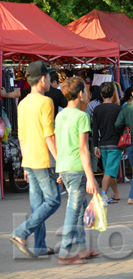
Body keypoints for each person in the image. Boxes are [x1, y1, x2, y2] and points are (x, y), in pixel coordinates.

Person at [10, 61, 60, 258]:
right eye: (48, 77)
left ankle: (40, 246)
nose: (49, 80)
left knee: (38, 205)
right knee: (54, 200)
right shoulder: (45, 101)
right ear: (42, 79)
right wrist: (60, 162)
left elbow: (21, 135)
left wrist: (24, 161)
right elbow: (49, 135)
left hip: (29, 159)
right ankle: (21, 233)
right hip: (42, 160)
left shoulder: (22, 104)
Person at [55, 77, 100, 265]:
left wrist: (60, 170)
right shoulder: (81, 117)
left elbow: (60, 143)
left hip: (65, 167)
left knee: (80, 207)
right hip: (76, 169)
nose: (88, 94)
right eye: (86, 90)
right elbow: (83, 149)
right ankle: (65, 251)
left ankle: (82, 248)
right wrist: (91, 178)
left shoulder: (60, 115)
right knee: (73, 211)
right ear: (80, 93)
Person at [92, 82, 122, 203]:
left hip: (103, 144)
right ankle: (102, 195)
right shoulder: (118, 108)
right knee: (110, 171)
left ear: (101, 94)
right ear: (113, 93)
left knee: (108, 170)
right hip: (115, 143)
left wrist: (95, 146)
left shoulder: (97, 109)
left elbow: (95, 130)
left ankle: (116, 194)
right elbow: (121, 127)